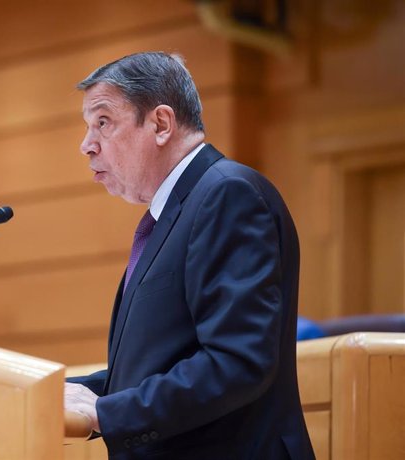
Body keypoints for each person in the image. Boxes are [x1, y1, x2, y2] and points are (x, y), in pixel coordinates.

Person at [64, 52, 315, 459]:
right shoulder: (173, 213)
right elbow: (159, 367)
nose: (86, 145)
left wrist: (107, 413)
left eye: (103, 123)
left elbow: (236, 362)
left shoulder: (228, 194)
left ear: (161, 124)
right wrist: (64, 392)